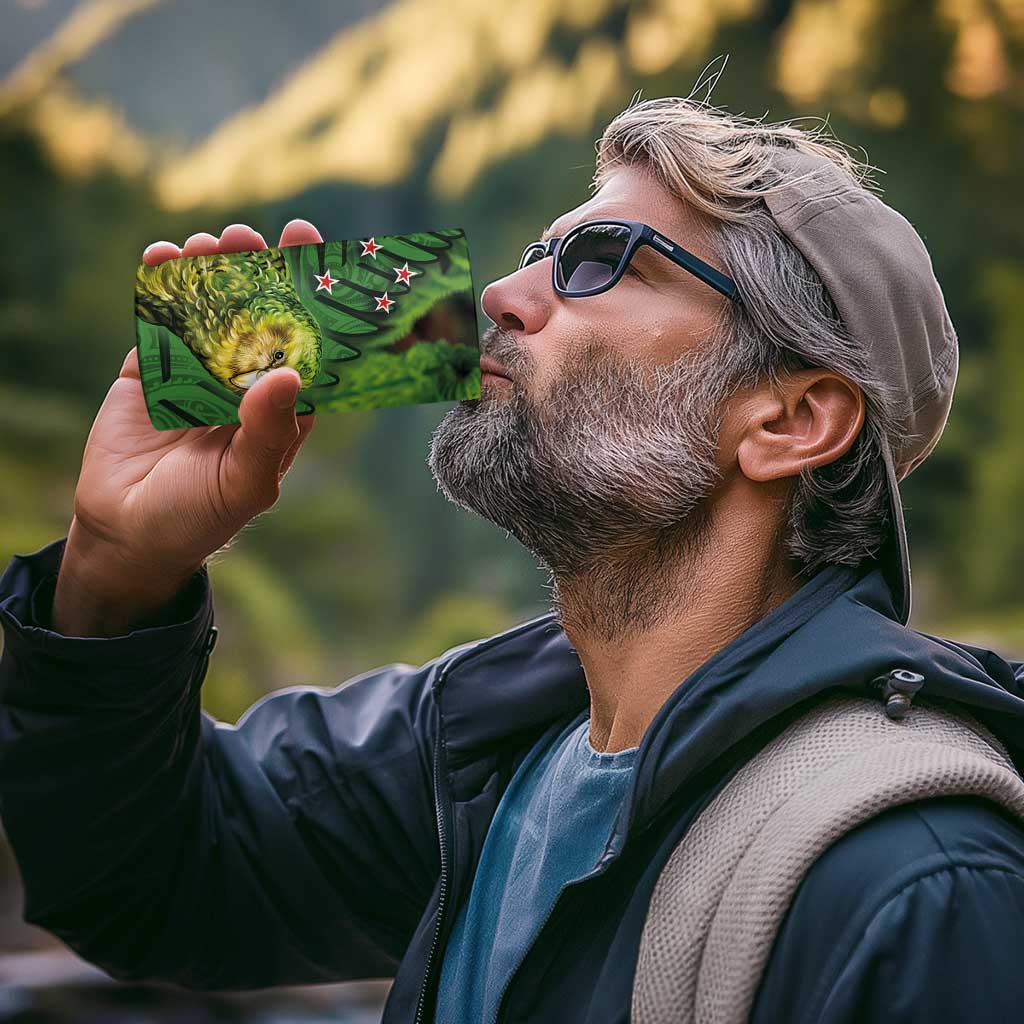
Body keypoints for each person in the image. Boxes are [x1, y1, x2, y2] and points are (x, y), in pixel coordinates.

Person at [2, 95, 1024, 1024]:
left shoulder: (918, 884)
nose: (499, 292)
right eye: (539, 252)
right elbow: (149, 880)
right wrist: (116, 571)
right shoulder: (479, 748)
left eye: (600, 261)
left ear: (791, 419)